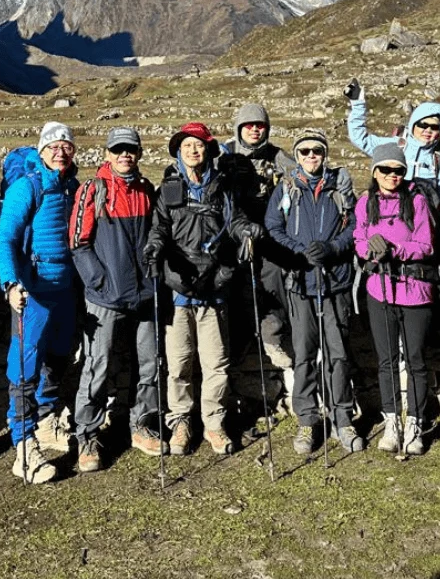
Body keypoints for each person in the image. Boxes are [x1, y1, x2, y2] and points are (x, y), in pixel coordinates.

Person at [147, 123, 261, 457]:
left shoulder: (223, 189)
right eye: (187, 146)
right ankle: (180, 422)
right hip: (179, 287)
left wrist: (246, 230)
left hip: (214, 286)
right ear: (178, 153)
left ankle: (214, 423)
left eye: (199, 146)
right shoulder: (167, 190)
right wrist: (155, 247)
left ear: (209, 151)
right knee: (179, 363)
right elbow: (160, 228)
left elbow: (234, 221)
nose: (193, 151)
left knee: (216, 363)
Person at [69, 127, 161, 471]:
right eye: (118, 149)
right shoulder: (94, 190)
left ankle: (141, 425)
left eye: (130, 149)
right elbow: (78, 243)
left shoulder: (145, 189)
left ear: (139, 153)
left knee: (150, 364)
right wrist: (100, 281)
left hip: (144, 293)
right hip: (105, 298)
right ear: (107, 154)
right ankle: (87, 436)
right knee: (97, 366)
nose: (125, 155)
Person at [0, 121, 80, 484]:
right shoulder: (26, 188)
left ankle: (45, 421)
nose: (61, 152)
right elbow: (5, 240)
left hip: (66, 290)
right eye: (53, 147)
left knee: (58, 357)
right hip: (33, 291)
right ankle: (23, 445)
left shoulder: (72, 186)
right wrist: (11, 284)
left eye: (67, 146)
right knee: (24, 366)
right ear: (42, 151)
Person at [265, 129, 361, 456]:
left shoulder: (339, 186)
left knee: (338, 354)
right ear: (297, 155)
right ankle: (307, 419)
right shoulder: (286, 188)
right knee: (304, 354)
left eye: (316, 151)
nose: (310, 156)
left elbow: (354, 226)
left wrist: (333, 248)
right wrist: (299, 251)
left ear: (324, 153)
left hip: (335, 283)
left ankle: (342, 417)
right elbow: (273, 228)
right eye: (304, 151)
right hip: (301, 282)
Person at [353, 143, 434, 456]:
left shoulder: (417, 201)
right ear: (375, 172)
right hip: (380, 288)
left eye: (398, 170)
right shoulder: (366, 202)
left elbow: (425, 245)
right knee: (386, 359)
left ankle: (415, 423)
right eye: (385, 169)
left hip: (415, 289)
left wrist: (395, 250)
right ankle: (392, 422)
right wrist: (370, 250)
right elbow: (359, 239)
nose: (392, 175)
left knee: (415, 360)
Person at [217, 103, 297, 414]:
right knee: (233, 288)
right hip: (231, 234)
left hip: (269, 234)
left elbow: (299, 175)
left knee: (274, 279)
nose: (254, 129)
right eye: (248, 125)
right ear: (239, 128)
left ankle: (272, 337)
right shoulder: (224, 154)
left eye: (260, 125)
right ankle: (236, 349)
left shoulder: (277, 157)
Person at [345, 82, 440, 198]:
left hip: (424, 209)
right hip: (392, 208)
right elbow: (359, 138)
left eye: (434, 127)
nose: (428, 130)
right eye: (423, 125)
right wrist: (358, 105)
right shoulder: (392, 146)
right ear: (413, 124)